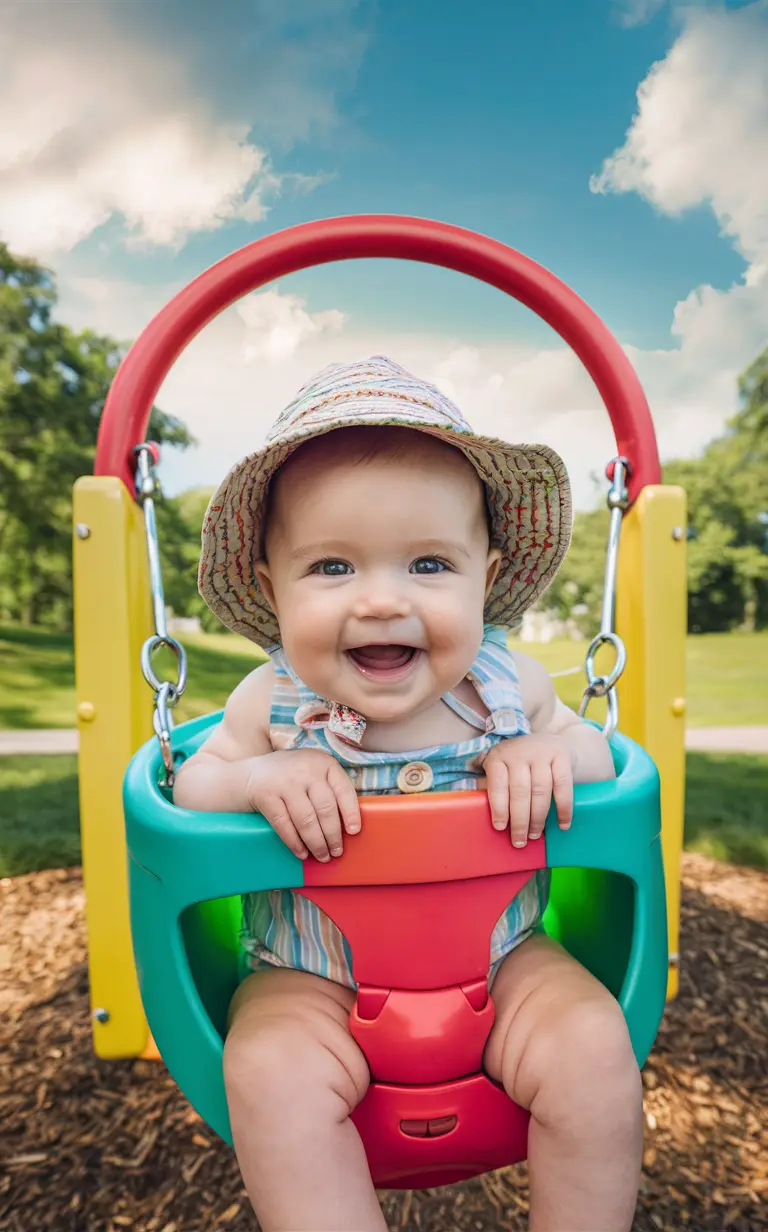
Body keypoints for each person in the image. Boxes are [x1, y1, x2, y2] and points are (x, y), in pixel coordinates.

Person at [174, 357, 643, 1232]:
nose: (383, 601)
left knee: (593, 1045)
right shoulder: (269, 703)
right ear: (272, 592)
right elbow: (192, 784)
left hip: (504, 966)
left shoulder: (510, 687)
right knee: (268, 1067)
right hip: (309, 980)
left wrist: (546, 753)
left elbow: (598, 756)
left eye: (429, 563)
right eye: (332, 568)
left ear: (486, 575)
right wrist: (254, 777)